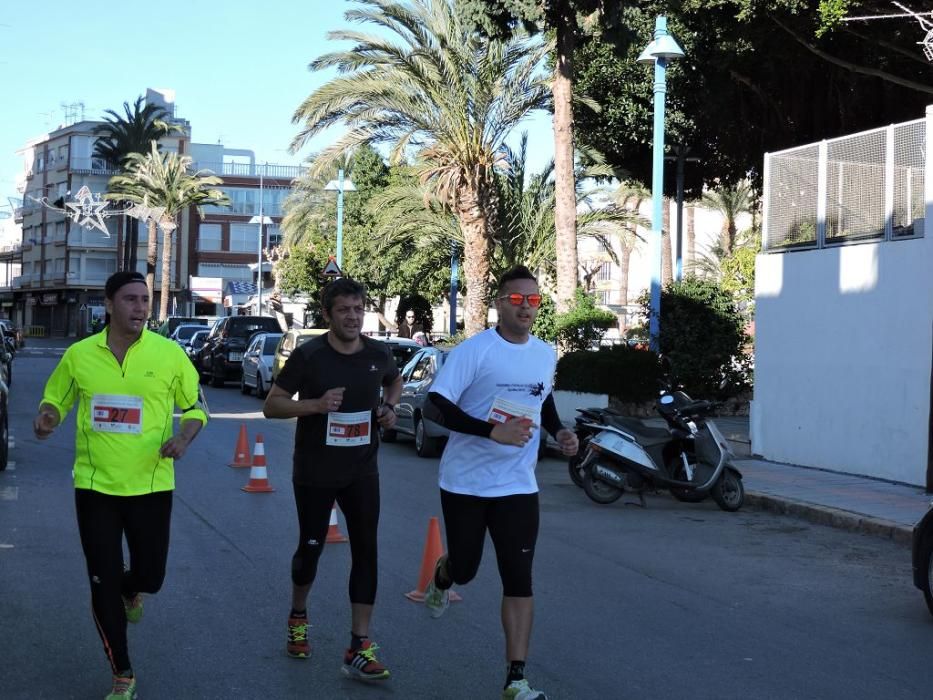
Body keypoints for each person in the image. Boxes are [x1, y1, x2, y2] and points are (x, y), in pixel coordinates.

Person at [33, 270, 208, 700]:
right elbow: (57, 396)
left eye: (144, 300)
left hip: (150, 485)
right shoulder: (79, 355)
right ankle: (122, 672)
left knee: (152, 574)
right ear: (109, 305)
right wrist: (49, 416)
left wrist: (184, 436)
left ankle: (133, 589)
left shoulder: (169, 354)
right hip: (95, 488)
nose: (140, 307)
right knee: (101, 582)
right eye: (130, 299)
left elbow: (195, 407)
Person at [423, 266, 578, 700]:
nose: (526, 307)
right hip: (466, 483)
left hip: (518, 486)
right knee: (468, 570)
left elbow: (541, 398)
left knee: (519, 577)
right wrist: (490, 431)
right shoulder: (475, 351)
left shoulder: (545, 353)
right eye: (517, 300)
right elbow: (434, 407)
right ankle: (444, 574)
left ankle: (516, 678)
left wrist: (559, 432)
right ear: (499, 302)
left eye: (534, 300)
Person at [262, 277, 402, 682]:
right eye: (344, 310)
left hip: (362, 469)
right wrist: (317, 405)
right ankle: (298, 615)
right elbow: (273, 405)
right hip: (315, 471)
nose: (353, 317)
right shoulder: (310, 356)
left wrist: (390, 408)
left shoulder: (378, 353)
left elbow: (394, 380)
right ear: (328, 314)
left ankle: (359, 645)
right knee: (311, 550)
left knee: (367, 552)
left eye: (359, 310)